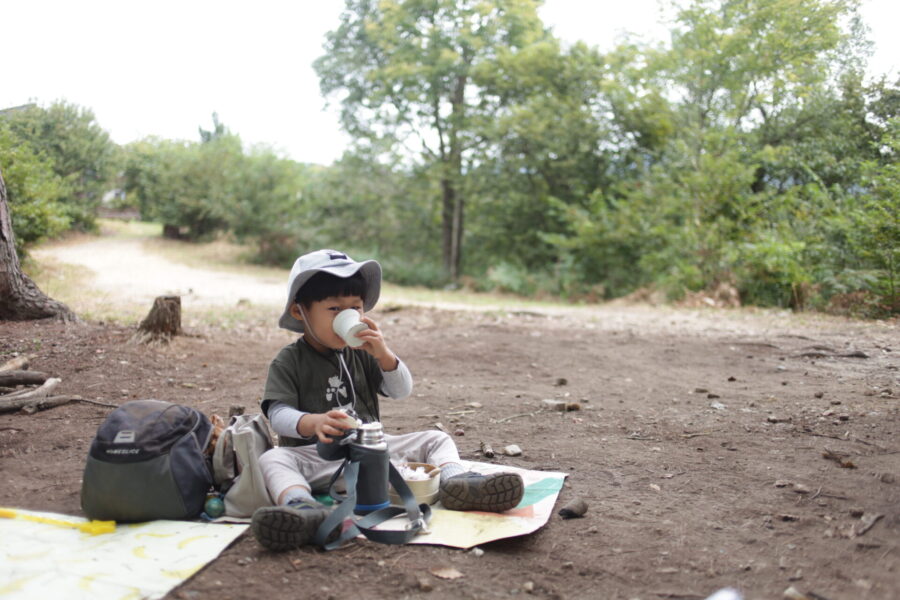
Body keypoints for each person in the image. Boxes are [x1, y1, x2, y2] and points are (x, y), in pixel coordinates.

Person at [251, 249, 524, 551]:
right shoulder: (289, 360)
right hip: (317, 460)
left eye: (355, 308)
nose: (347, 317)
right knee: (273, 459)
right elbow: (277, 414)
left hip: (374, 457)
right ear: (299, 311)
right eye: (334, 309)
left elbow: (400, 390)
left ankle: (457, 483)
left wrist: (383, 354)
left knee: (436, 438)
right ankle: (302, 510)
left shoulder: (362, 352)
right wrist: (313, 423)